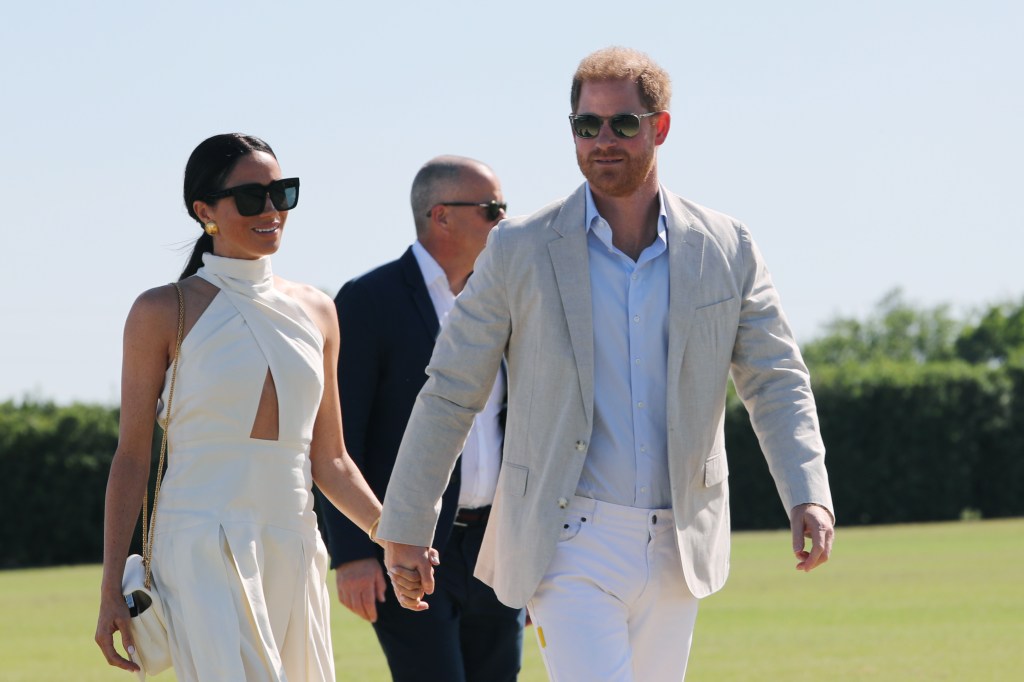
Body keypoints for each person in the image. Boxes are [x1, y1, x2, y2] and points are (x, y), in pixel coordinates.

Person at [378, 47, 836, 681]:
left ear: (660, 127)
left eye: (623, 123)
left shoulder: (728, 247)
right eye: (586, 125)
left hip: (681, 541)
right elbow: (451, 390)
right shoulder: (519, 248)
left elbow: (776, 380)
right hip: (566, 539)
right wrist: (405, 522)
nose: (602, 140)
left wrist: (808, 492)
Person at [95, 133, 390, 681]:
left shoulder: (319, 311)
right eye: (252, 198)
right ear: (204, 211)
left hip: (293, 541)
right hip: (199, 544)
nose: (272, 210)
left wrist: (392, 537)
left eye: (283, 193)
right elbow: (132, 458)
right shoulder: (162, 310)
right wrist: (112, 584)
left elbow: (332, 461)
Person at [319, 155, 525, 682]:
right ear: (442, 216)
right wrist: (353, 555)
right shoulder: (368, 301)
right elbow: (341, 437)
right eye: (491, 209)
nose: (504, 220)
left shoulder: (503, 299)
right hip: (410, 550)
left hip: (497, 548)